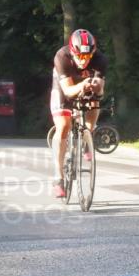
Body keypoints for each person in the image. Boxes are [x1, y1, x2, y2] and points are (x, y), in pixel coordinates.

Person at [51, 29, 107, 198]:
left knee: (95, 100)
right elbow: (67, 91)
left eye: (87, 57)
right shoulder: (62, 57)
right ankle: (58, 178)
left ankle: (86, 139)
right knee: (64, 126)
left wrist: (95, 87)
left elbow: (100, 91)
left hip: (85, 84)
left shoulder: (100, 59)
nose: (84, 61)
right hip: (64, 87)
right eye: (80, 57)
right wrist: (82, 85)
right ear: (73, 52)